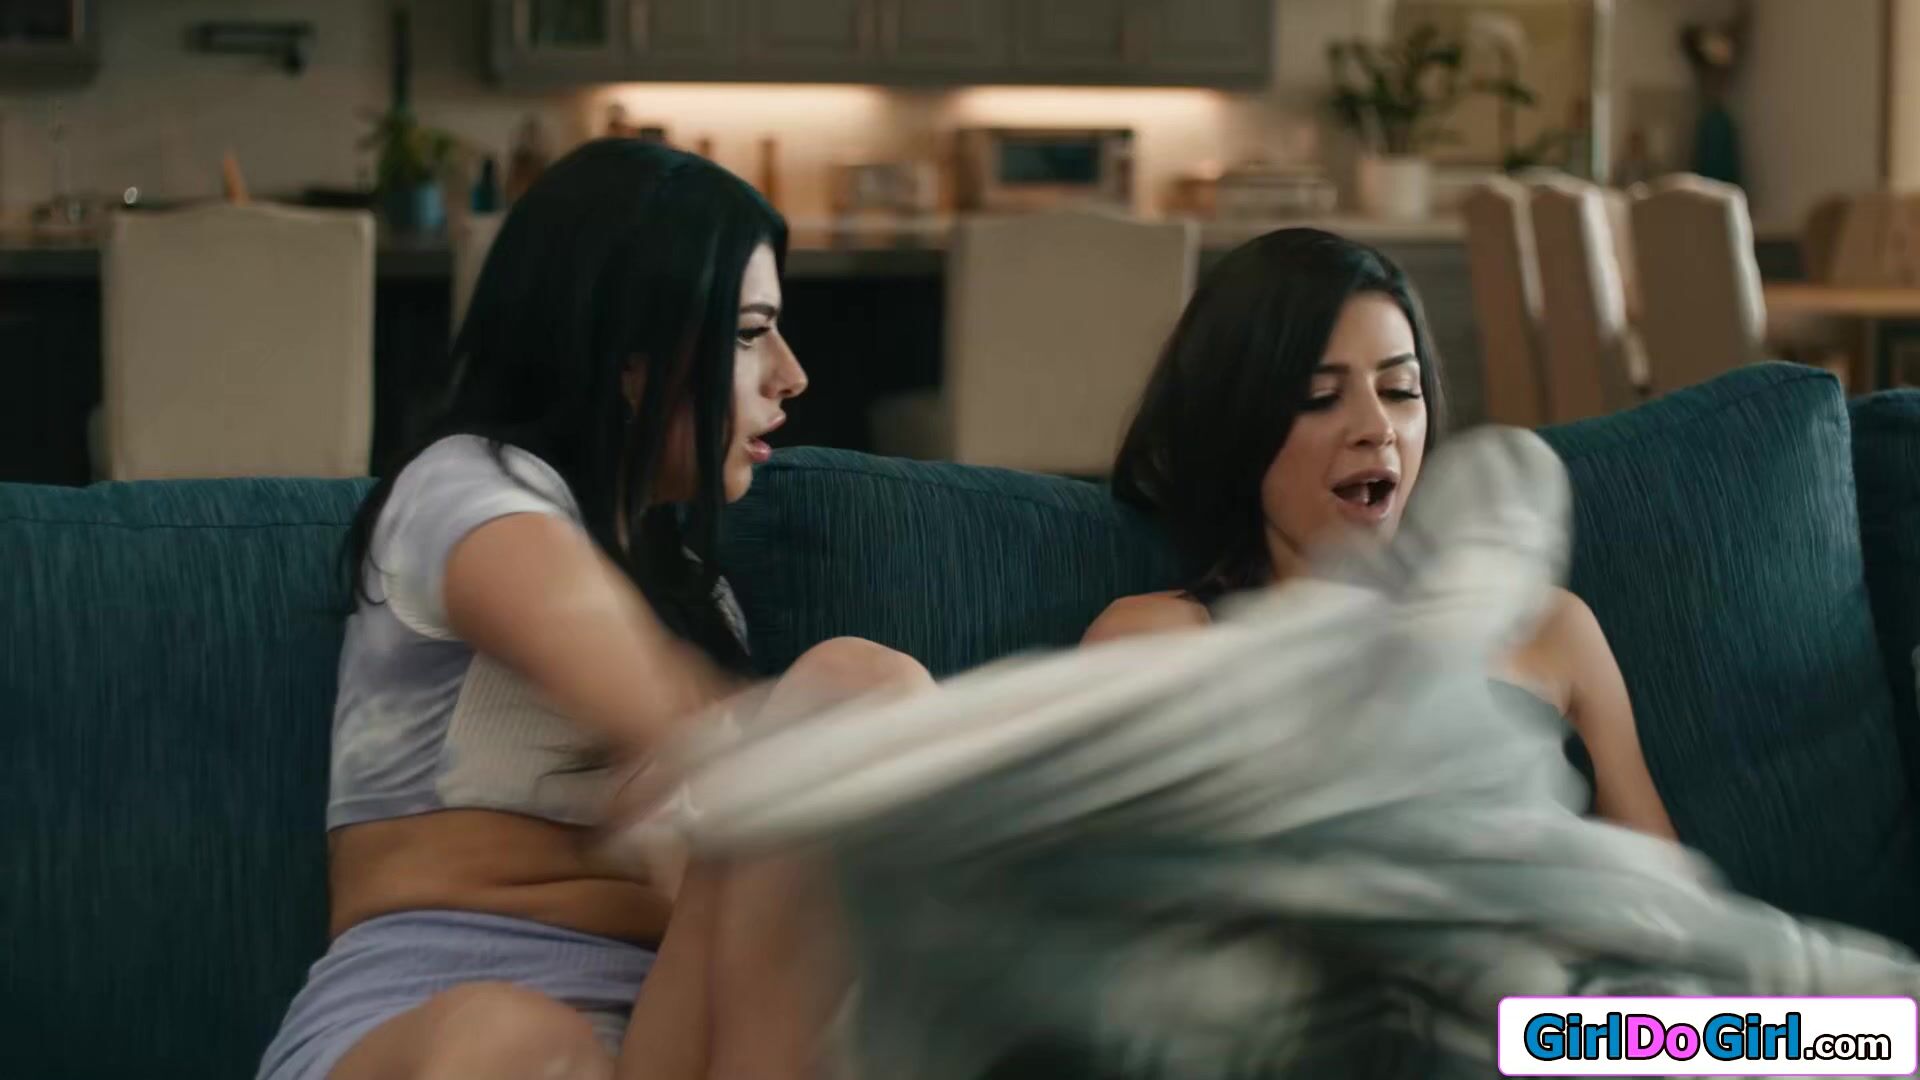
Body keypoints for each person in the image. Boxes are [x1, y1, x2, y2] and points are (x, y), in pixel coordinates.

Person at [257, 139, 929, 1080]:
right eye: (749, 333)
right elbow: (663, 717)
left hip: (664, 1030)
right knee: (523, 1045)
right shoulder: (465, 492)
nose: (791, 375)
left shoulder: (696, 593)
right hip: (438, 1020)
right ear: (630, 360)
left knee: (862, 683)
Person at [1084, 227, 1673, 840]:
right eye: (1320, 397)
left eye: (1399, 391)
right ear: (1236, 422)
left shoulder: (1551, 626)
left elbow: (1668, 888)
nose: (1377, 427)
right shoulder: (1158, 641)